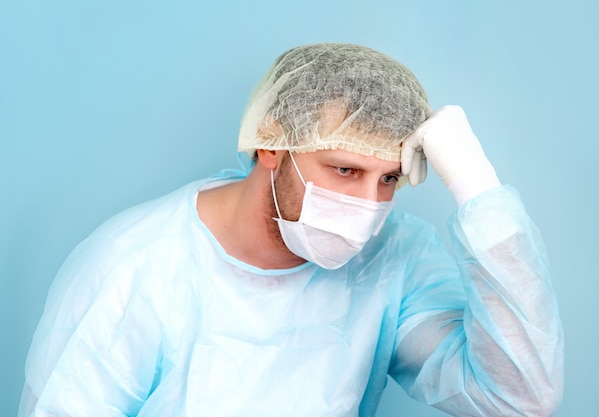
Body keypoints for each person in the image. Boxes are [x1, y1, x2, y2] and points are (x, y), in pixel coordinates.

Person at [19, 43, 563, 417]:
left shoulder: (395, 256)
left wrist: (477, 187)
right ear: (271, 143)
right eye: (345, 170)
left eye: (390, 179)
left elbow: (517, 398)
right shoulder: (136, 265)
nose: (367, 206)